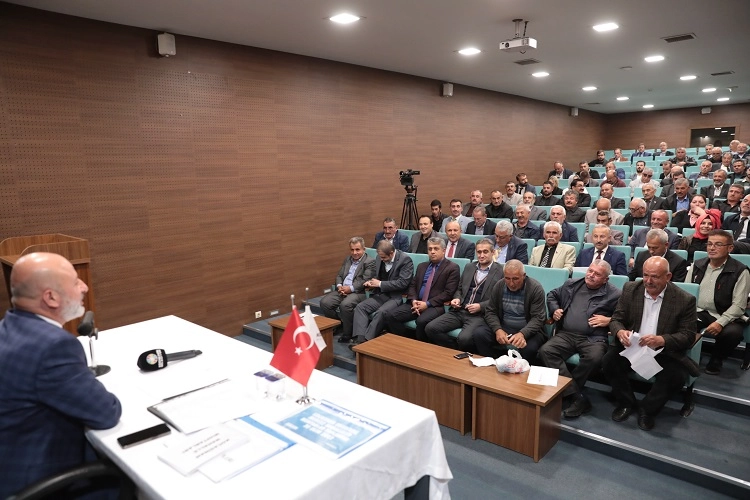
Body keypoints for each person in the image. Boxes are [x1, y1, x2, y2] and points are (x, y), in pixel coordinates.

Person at [0, 252, 122, 497]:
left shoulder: (8, 327)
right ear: (51, 298)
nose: (84, 287)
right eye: (76, 282)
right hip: (39, 482)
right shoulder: (53, 347)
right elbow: (107, 413)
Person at [603, 256, 698, 431]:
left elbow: (688, 335)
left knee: (676, 376)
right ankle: (626, 403)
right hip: (633, 347)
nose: (648, 281)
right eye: (645, 275)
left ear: (668, 277)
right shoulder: (631, 289)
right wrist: (620, 331)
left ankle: (647, 410)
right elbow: (616, 319)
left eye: (654, 276)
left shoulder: (684, 299)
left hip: (663, 350)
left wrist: (662, 339)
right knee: (609, 362)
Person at [539, 260, 621, 419]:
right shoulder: (572, 284)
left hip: (594, 338)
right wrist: (555, 309)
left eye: (597, 274)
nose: (591, 275)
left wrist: (610, 320)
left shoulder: (615, 294)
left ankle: (566, 391)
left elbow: (626, 316)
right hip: (567, 334)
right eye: (590, 271)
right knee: (546, 351)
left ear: (606, 279)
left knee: (595, 358)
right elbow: (552, 295)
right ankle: (577, 396)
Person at [687, 230, 750, 375]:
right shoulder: (697, 265)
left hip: (725, 313)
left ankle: (717, 359)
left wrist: (720, 322)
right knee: (681, 323)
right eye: (709, 244)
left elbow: (739, 305)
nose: (712, 248)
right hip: (699, 311)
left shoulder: (741, 271)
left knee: (733, 333)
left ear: (730, 248)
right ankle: (689, 356)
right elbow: (687, 294)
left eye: (718, 244)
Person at [425, 239, 504, 350]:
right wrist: (457, 298)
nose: (481, 255)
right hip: (459, 310)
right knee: (431, 328)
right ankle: (452, 350)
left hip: (479, 315)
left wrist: (480, 306)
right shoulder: (469, 267)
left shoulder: (500, 271)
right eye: (479, 252)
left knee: (464, 339)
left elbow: (500, 298)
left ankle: (459, 353)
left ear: (493, 252)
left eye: (485, 252)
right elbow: (460, 289)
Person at [383, 237, 460, 342]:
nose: (432, 252)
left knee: (421, 321)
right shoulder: (422, 266)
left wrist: (427, 304)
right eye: (430, 249)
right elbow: (412, 285)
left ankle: (421, 346)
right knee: (391, 316)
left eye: (436, 249)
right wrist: (414, 300)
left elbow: (448, 293)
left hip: (435, 305)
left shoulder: (452, 268)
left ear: (443, 250)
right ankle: (406, 342)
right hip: (416, 303)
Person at [473, 260, 546, 361]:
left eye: (515, 279)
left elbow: (538, 318)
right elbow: (490, 311)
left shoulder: (535, 288)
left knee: (529, 348)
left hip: (528, 330)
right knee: (479, 334)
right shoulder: (499, 285)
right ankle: (492, 363)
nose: (511, 283)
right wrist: (498, 329)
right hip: (504, 327)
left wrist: (522, 333)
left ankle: (521, 370)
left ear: (524, 276)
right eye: (507, 278)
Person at [350, 241, 414, 346]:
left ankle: (366, 341)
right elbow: (378, 276)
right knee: (360, 307)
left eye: (384, 257)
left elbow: (403, 283)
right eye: (380, 257)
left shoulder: (405, 260)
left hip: (397, 296)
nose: (381, 259)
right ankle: (360, 339)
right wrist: (371, 282)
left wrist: (380, 284)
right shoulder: (379, 258)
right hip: (381, 294)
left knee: (381, 312)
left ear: (391, 253)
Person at [319, 237, 376, 343]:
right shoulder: (347, 259)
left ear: (364, 249)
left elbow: (365, 280)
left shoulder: (370, 262)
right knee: (325, 302)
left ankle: (348, 333)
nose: (354, 253)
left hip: (359, 292)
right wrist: (339, 286)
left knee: (345, 305)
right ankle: (337, 324)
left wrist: (350, 288)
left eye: (357, 249)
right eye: (352, 250)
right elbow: (339, 275)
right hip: (342, 290)